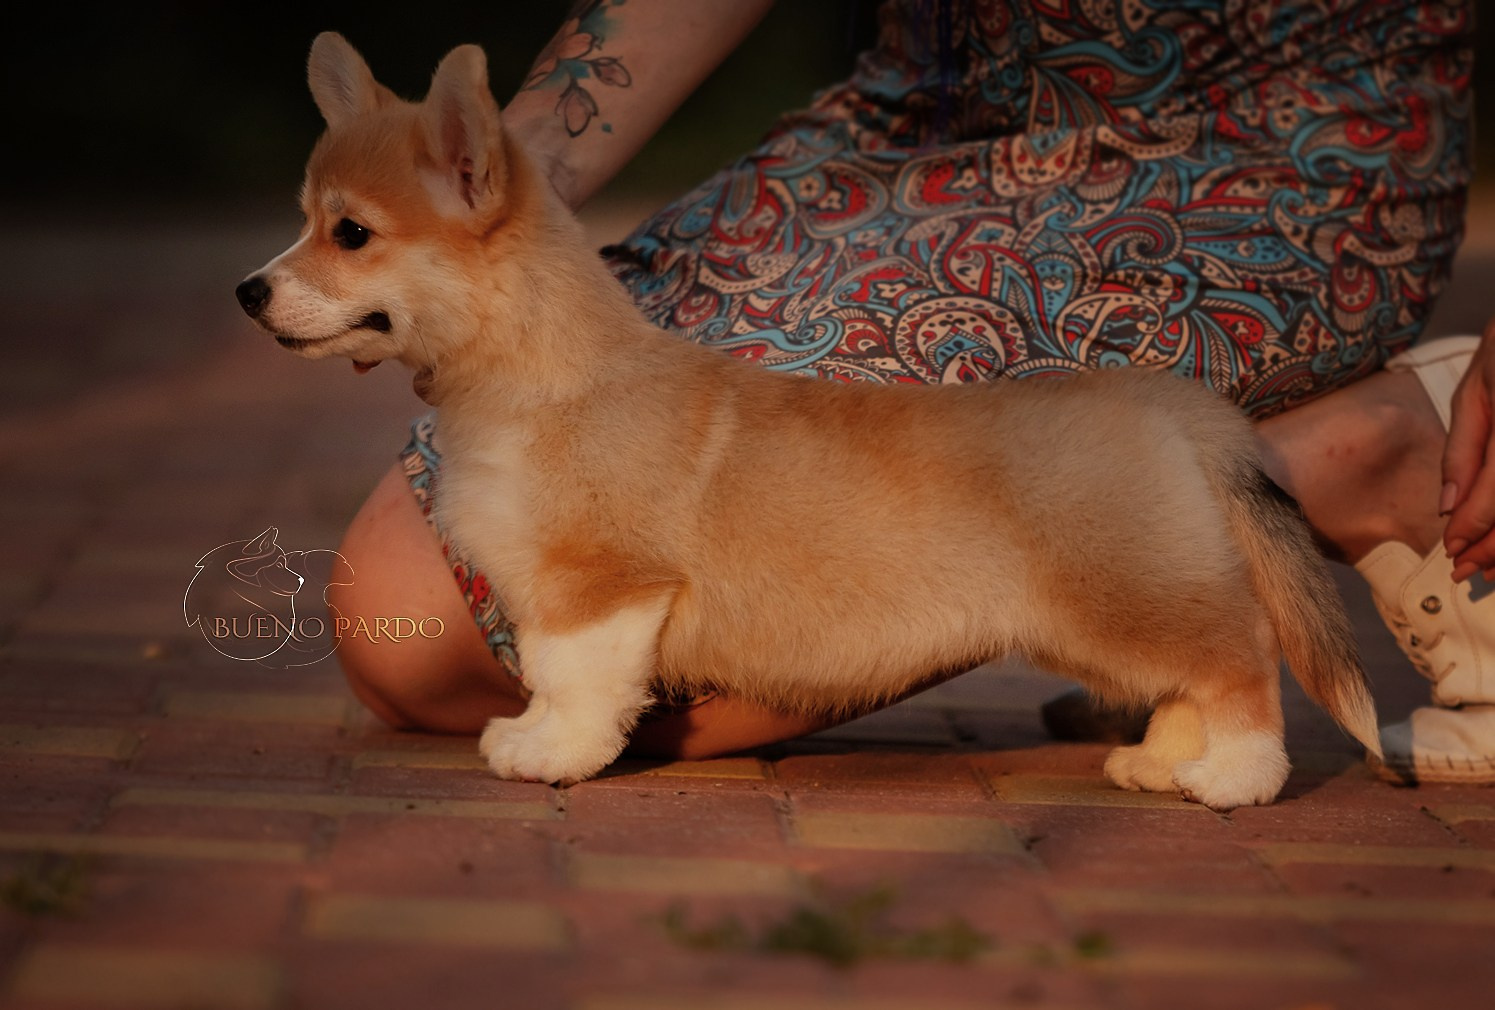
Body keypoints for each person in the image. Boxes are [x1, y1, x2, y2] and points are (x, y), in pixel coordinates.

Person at [329, 0, 1495, 784]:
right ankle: (1172, 544)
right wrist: (488, 185)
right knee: (410, 623)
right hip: (914, 122)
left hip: (1268, 154)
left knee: (500, 629)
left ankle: (1329, 467)